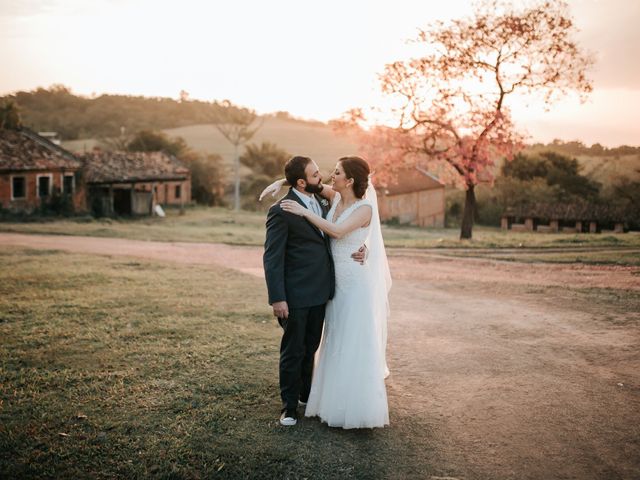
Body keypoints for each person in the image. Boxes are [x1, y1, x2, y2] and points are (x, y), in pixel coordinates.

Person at [278, 156, 391, 429]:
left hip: (354, 283)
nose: (331, 176)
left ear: (349, 180)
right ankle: (329, 398)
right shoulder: (336, 197)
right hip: (332, 284)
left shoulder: (364, 209)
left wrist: (305, 213)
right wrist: (283, 182)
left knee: (354, 342)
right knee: (335, 339)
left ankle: (356, 404)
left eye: (337, 172)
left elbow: (339, 232)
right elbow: (308, 186)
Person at [262, 156, 366, 427]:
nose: (323, 177)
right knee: (293, 349)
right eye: (316, 174)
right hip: (295, 293)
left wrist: (366, 247)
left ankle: (305, 394)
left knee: (311, 347)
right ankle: (288, 408)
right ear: (301, 181)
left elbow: (350, 230)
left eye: (323, 172)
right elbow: (272, 258)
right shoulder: (281, 210)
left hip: (322, 291)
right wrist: (277, 297)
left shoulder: (323, 201)